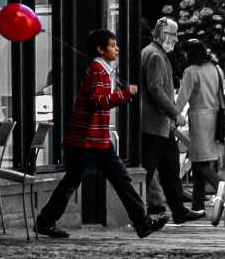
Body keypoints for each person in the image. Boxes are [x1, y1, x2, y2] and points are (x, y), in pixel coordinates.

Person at [35, 28, 170, 241]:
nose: (116, 48)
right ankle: (45, 221)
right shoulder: (97, 70)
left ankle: (141, 223)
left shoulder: (102, 69)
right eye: (112, 44)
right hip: (88, 139)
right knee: (94, 181)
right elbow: (97, 101)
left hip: (96, 139)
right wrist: (126, 93)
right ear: (100, 49)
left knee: (112, 180)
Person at [139, 18, 203, 225]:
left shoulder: (151, 52)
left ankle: (178, 210)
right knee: (149, 170)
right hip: (155, 123)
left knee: (169, 167)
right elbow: (155, 88)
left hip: (158, 125)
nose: (176, 39)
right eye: (173, 34)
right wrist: (175, 112)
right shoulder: (156, 55)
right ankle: (137, 212)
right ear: (162, 33)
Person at [177, 41, 225, 210]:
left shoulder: (191, 72)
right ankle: (198, 205)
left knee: (199, 163)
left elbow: (183, 97)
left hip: (199, 118)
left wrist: (174, 114)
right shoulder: (216, 68)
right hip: (215, 117)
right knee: (201, 163)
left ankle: (222, 186)